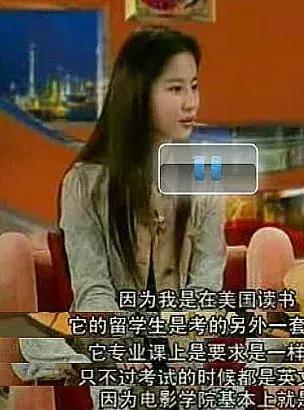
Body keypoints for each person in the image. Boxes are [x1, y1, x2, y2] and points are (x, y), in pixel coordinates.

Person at [13, 26, 227, 409]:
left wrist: (184, 354)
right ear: (138, 93)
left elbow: (206, 286)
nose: (191, 102)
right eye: (175, 89)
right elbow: (92, 287)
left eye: (194, 86)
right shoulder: (85, 184)